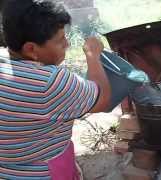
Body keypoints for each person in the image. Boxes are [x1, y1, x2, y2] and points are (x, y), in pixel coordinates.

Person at [0, 0, 111, 179]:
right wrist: (93, 56)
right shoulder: (50, 82)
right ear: (31, 49)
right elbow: (102, 100)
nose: (67, 44)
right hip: (46, 172)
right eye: (60, 41)